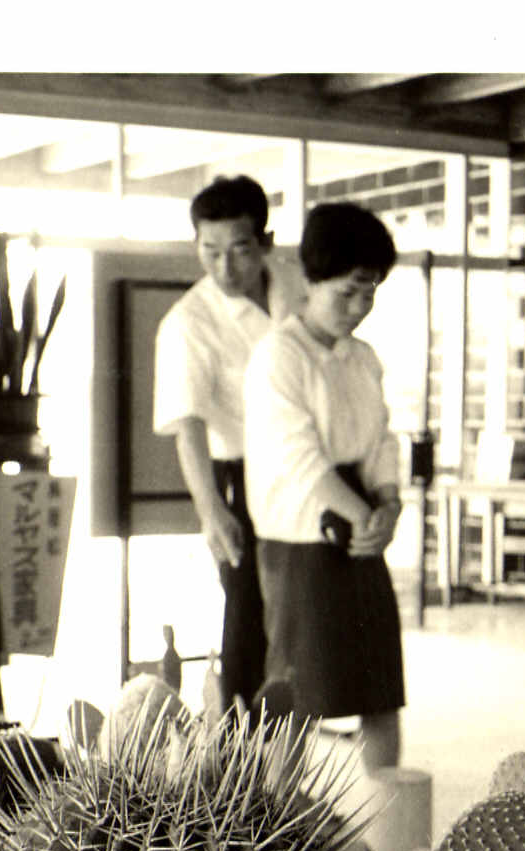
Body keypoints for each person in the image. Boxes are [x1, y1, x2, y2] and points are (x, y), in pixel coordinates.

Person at [242, 201, 404, 773]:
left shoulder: (365, 359)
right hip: (301, 548)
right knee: (297, 701)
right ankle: (273, 819)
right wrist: (366, 518)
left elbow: (382, 441)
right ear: (311, 280)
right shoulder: (278, 356)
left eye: (370, 293)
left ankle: (389, 816)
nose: (359, 308)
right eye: (347, 292)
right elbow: (299, 459)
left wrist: (389, 505)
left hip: (363, 535)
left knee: (381, 697)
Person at [152, 175, 304, 715]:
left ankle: (295, 743)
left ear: (265, 242)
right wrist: (211, 510)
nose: (223, 268)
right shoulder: (188, 323)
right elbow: (187, 425)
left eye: (238, 250)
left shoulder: (297, 285)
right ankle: (243, 754)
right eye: (209, 251)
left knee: (303, 616)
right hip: (239, 475)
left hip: (305, 468)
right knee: (247, 615)